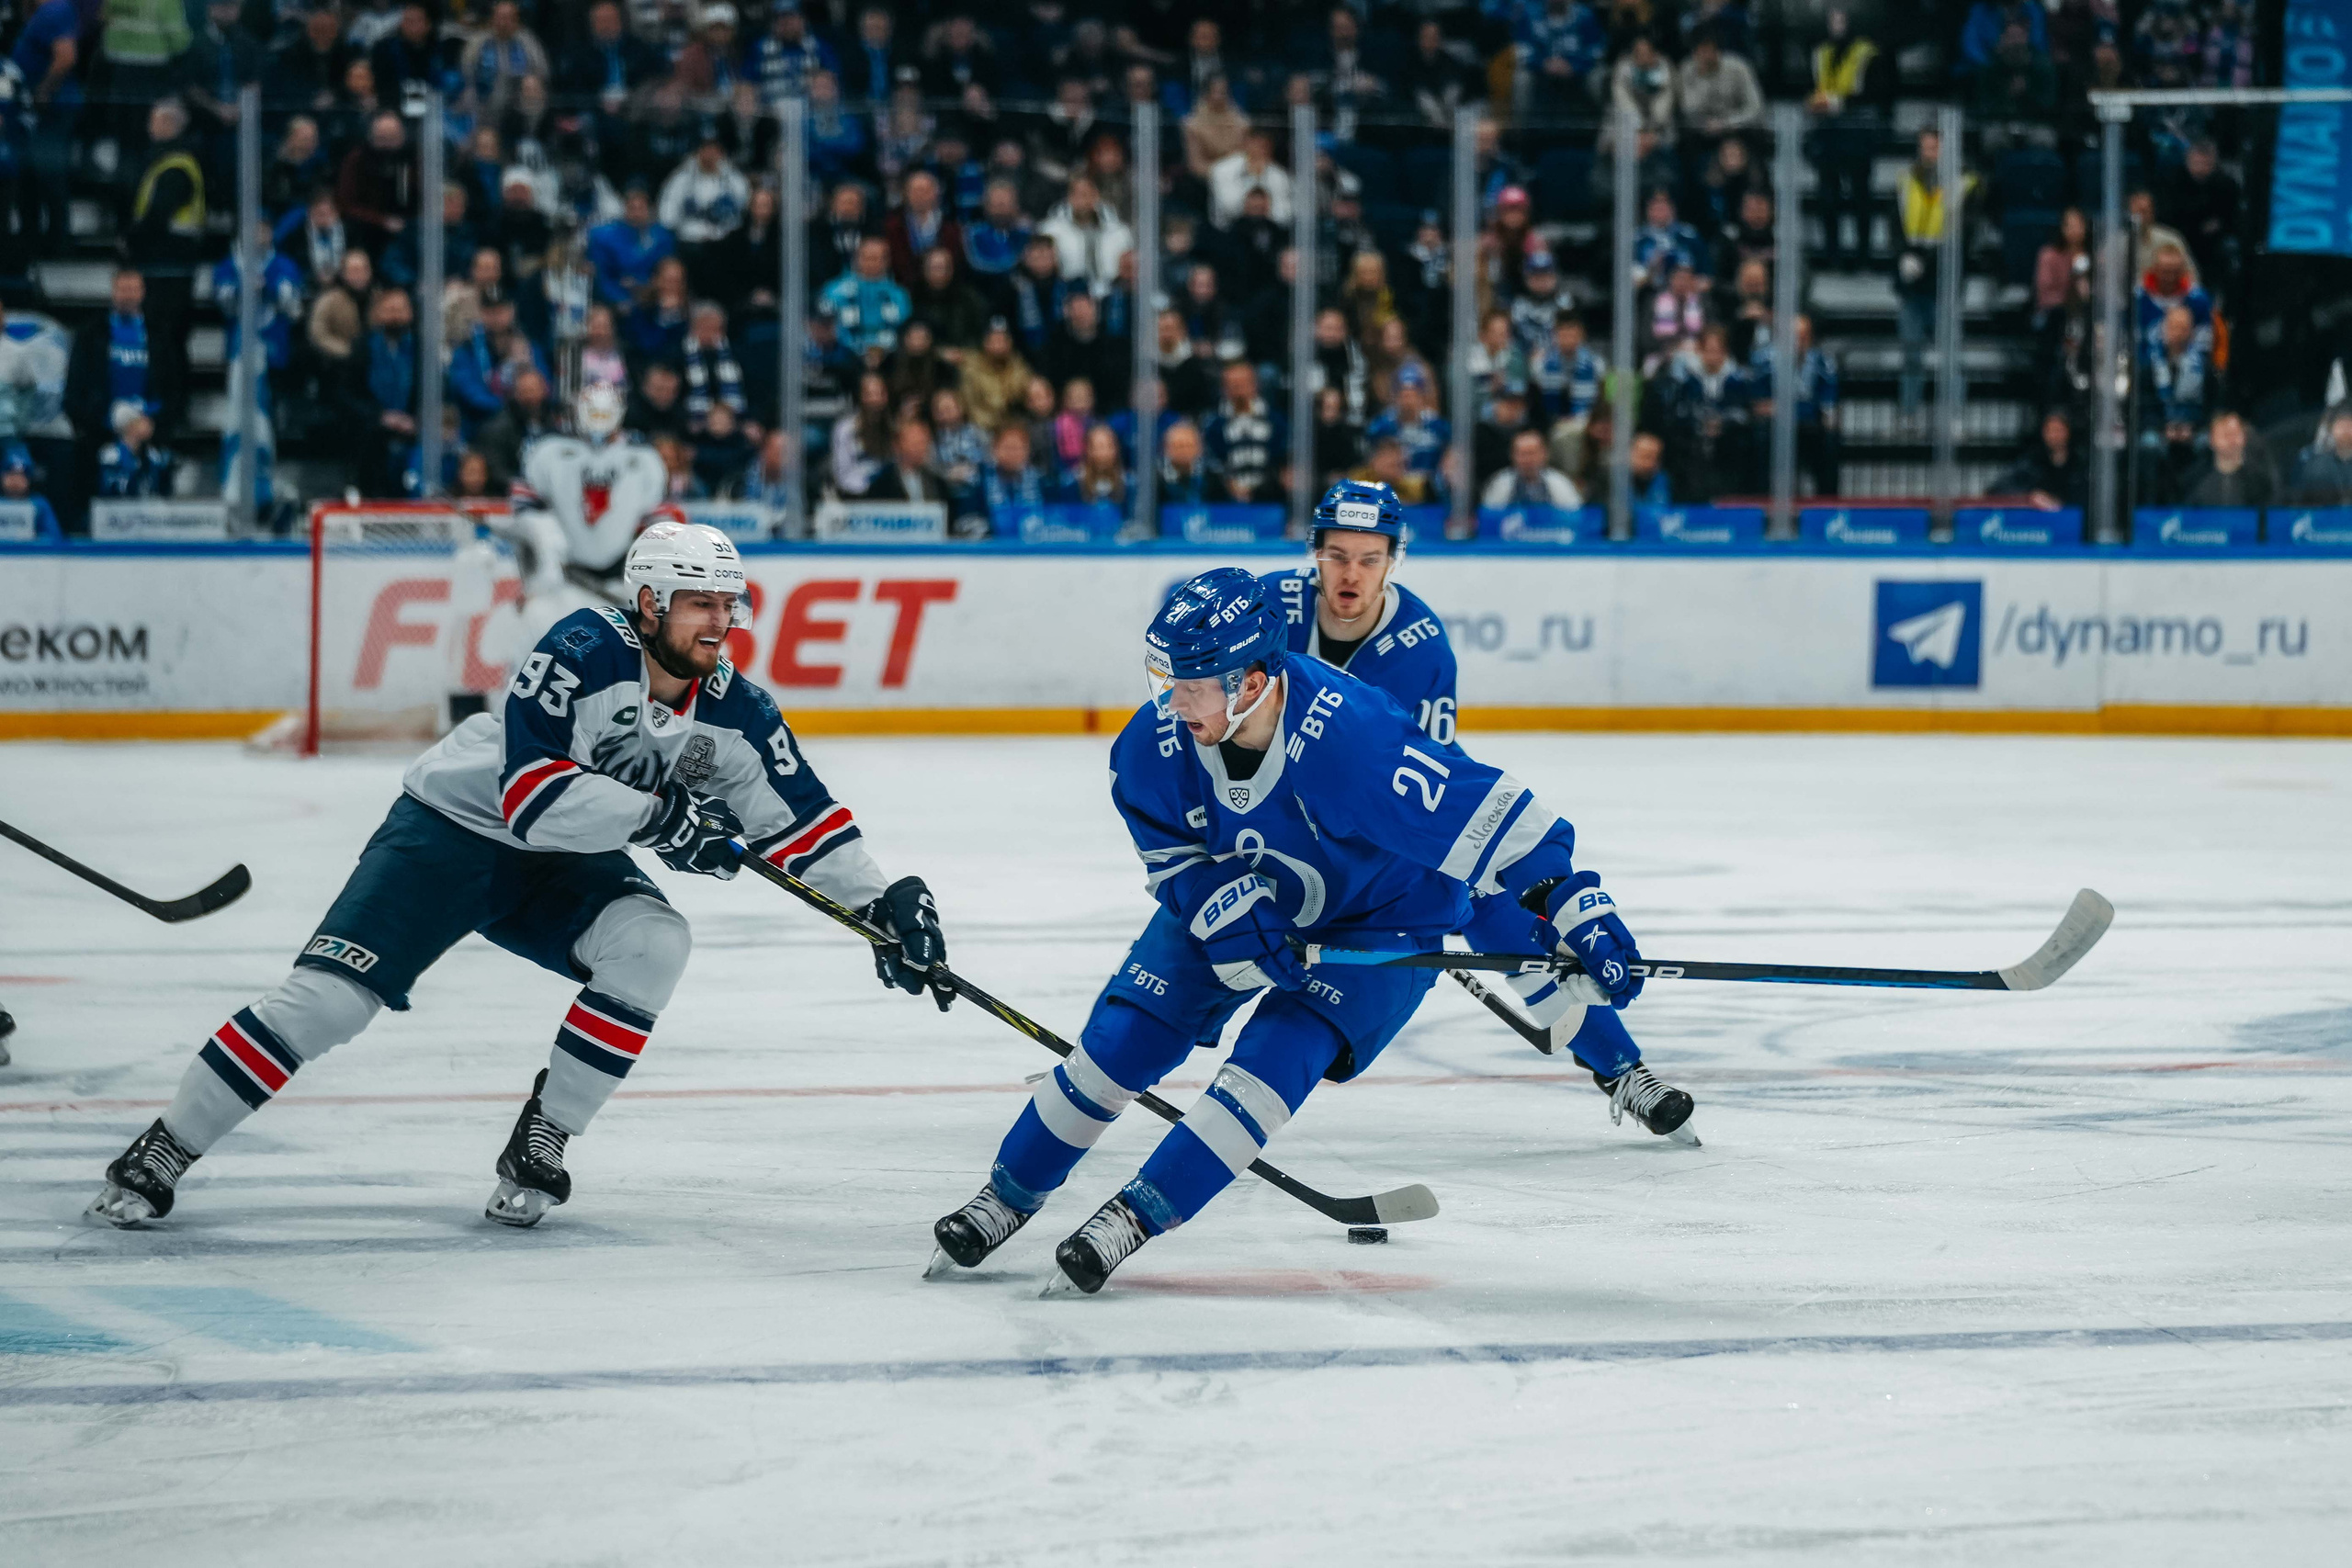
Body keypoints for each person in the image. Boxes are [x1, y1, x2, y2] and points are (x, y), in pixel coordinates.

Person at [89, 523, 953, 1232]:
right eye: (700, 603)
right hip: (451, 833)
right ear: (649, 604)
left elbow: (802, 820)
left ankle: (547, 1134)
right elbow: (533, 799)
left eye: (729, 603)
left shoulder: (737, 709)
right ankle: (168, 1143)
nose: (720, 622)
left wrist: (883, 902)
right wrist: (660, 819)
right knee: (326, 1005)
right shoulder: (580, 647)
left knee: (654, 942)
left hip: (560, 864)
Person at [926, 560, 1682, 1294]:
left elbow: (1494, 819)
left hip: (1385, 913)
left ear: (1251, 683)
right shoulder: (1154, 745)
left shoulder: (1353, 744)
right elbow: (1171, 857)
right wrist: (1218, 904)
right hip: (1248, 886)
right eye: (1168, 680)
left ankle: (1130, 1218)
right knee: (1120, 1045)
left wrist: (1576, 905)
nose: (1172, 703)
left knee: (1270, 1066)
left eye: (1190, 686)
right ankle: (1006, 1196)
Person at [1994, 411, 2089, 510]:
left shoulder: (2080, 463)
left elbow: (2088, 496)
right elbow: (2002, 487)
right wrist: (2031, 496)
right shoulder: (2031, 462)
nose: (2054, 436)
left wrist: (2060, 503)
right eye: (2050, 431)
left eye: (2058, 430)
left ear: (2068, 431)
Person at [2182, 411, 2277, 508]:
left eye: (2235, 434)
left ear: (2244, 437)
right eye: (2226, 435)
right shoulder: (2195, 481)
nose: (2232, 440)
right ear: (2212, 439)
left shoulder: (2262, 479)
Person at [1483, 429, 1584, 512]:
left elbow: (1574, 516)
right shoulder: (1500, 483)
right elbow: (1491, 518)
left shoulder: (1560, 482)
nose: (1527, 460)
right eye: (1522, 454)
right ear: (1512, 456)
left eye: (1532, 453)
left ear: (1544, 454)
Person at [96, 402, 175, 496]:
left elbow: (158, 491)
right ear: (130, 425)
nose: (150, 422)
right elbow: (112, 492)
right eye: (144, 418)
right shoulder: (111, 455)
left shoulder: (153, 454)